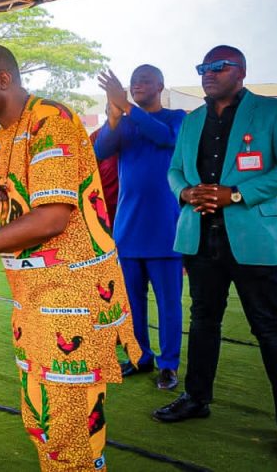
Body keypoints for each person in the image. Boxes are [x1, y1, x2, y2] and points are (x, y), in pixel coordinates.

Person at [0, 44, 141, 472]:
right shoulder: (5, 136)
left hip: (74, 298)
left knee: (70, 425)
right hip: (35, 300)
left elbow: (52, 217)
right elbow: (9, 210)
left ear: (3, 79)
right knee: (42, 418)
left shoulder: (52, 121)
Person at [154, 46, 277, 469]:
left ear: (240, 72)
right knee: (203, 320)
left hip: (253, 239)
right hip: (200, 237)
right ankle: (196, 398)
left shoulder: (274, 113)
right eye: (202, 68)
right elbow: (174, 171)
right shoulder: (190, 121)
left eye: (217, 67)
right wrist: (186, 193)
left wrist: (237, 193)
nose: (207, 74)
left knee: (271, 329)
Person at [94, 66, 186, 390]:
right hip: (128, 228)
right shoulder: (127, 123)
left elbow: (165, 138)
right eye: (133, 83)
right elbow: (99, 151)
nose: (137, 85)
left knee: (169, 303)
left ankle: (169, 363)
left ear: (161, 85)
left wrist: (126, 106)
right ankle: (140, 355)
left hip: (165, 229)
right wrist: (115, 115)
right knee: (132, 301)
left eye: (145, 81)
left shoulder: (177, 118)